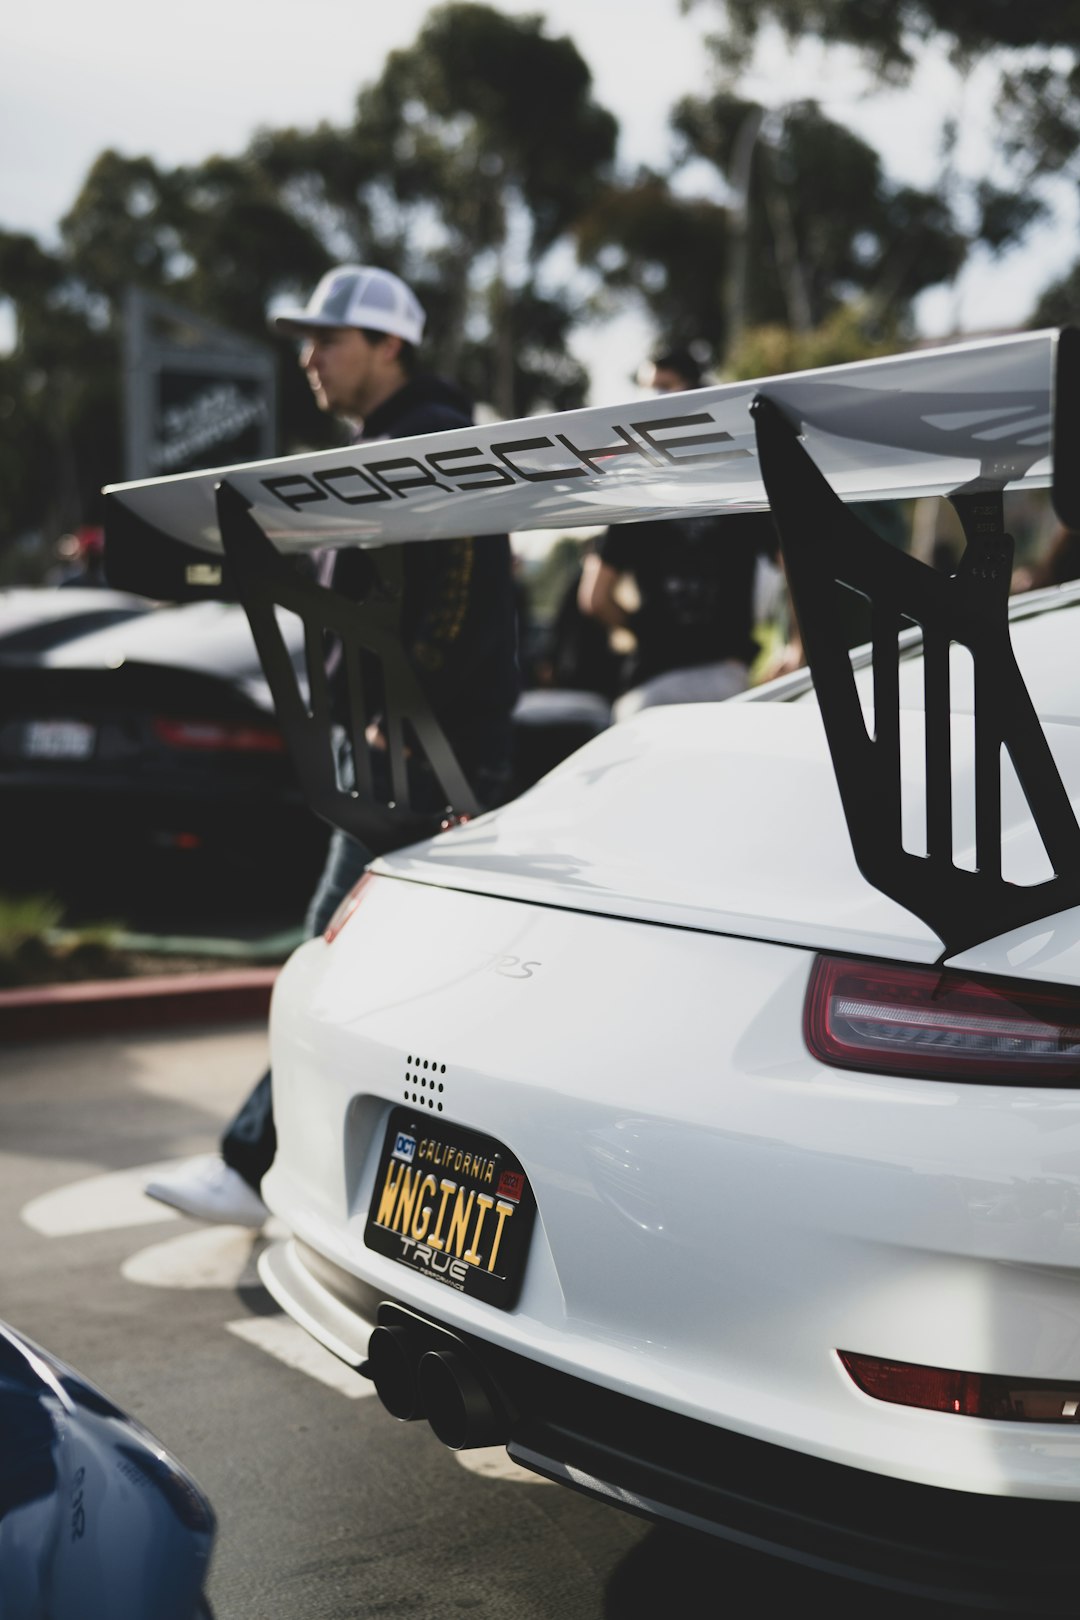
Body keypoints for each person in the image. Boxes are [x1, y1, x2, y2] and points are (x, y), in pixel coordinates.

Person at [145, 265, 520, 1226]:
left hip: (417, 755)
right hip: (397, 746)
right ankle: (355, 1177)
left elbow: (461, 597)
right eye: (306, 339)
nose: (309, 357)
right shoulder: (383, 446)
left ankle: (252, 1165)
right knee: (402, 973)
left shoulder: (433, 445)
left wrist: (402, 709)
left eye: (331, 339)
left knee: (330, 957)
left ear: (391, 344)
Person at [577, 344, 770, 721]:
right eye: (650, 390)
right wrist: (799, 645)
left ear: (694, 389)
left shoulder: (640, 488)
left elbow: (596, 598)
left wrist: (642, 631)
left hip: (672, 681)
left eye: (665, 388)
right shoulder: (739, 472)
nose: (654, 400)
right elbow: (594, 598)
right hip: (709, 674)